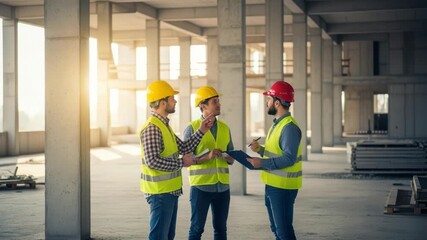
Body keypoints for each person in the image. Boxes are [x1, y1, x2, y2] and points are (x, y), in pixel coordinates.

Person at [139, 80, 214, 240]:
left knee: (167, 236)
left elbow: (184, 147)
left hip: (169, 191)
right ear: (162, 102)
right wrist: (182, 163)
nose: (175, 101)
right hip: (160, 193)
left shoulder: (164, 125)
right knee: (159, 236)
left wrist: (201, 130)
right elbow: (152, 161)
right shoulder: (153, 128)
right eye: (172, 98)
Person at [247, 81, 302, 240]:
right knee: (277, 229)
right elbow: (277, 152)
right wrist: (261, 150)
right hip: (273, 184)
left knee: (283, 231)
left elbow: (289, 158)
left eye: (269, 99)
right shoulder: (278, 124)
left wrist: (261, 163)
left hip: (283, 187)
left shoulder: (289, 127)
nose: (267, 103)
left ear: (277, 103)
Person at [183, 86, 234, 240]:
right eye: (214, 101)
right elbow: (186, 160)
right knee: (197, 229)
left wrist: (227, 157)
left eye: (218, 101)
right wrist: (208, 156)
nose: (219, 104)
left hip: (223, 187)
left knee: (221, 230)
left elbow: (231, 158)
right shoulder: (191, 128)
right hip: (201, 187)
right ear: (203, 106)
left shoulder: (225, 128)